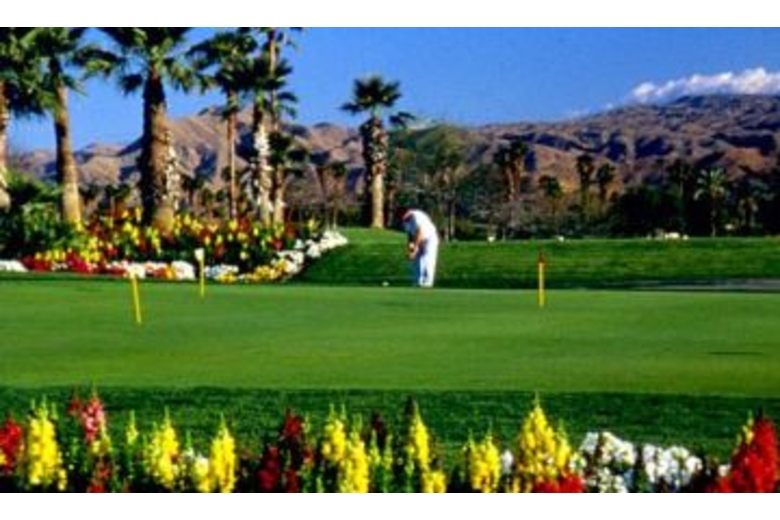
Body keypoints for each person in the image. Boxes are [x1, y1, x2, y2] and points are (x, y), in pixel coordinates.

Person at [401, 208, 439, 288]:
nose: (403, 218)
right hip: (419, 240)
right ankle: (417, 282)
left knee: (428, 259)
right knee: (416, 260)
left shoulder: (416, 216)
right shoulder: (405, 221)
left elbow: (419, 232)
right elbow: (410, 236)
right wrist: (411, 250)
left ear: (408, 212)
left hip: (430, 238)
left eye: (404, 215)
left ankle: (427, 283)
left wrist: (415, 248)